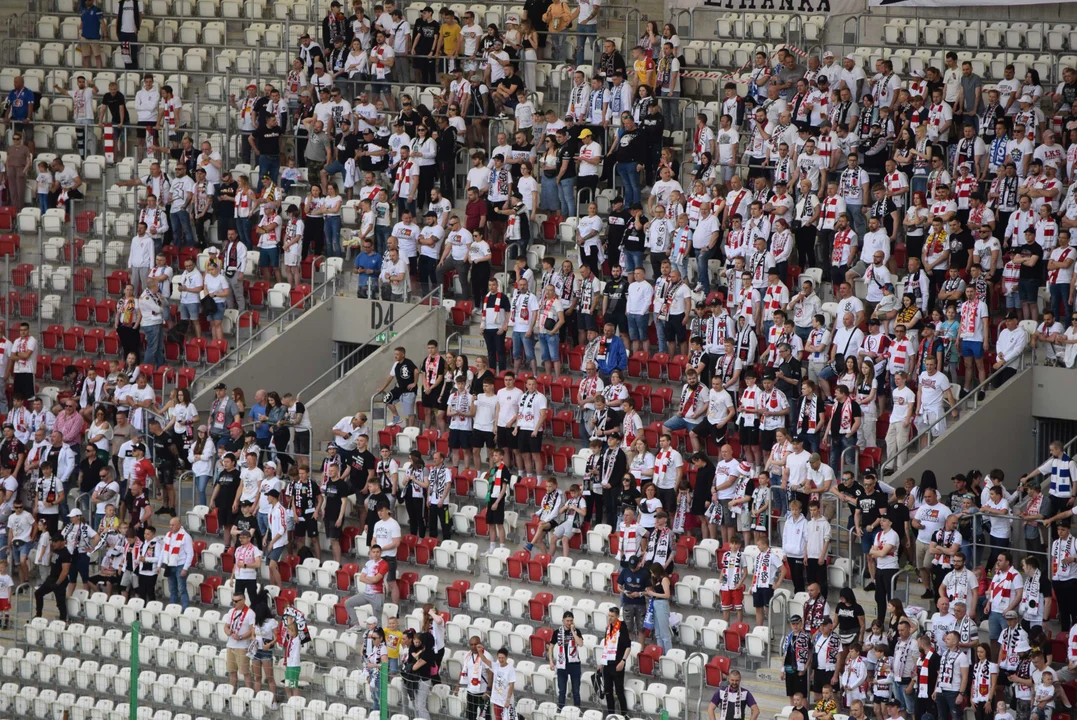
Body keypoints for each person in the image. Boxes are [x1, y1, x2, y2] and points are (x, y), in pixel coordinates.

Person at [600, 605, 631, 716]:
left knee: (619, 691)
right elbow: (606, 646)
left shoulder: (622, 627)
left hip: (618, 663)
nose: (610, 618)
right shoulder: (608, 628)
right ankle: (611, 714)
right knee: (608, 691)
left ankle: (624, 714)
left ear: (618, 616)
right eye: (609, 616)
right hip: (607, 664)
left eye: (612, 616)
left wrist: (623, 661)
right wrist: (602, 662)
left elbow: (628, 646)